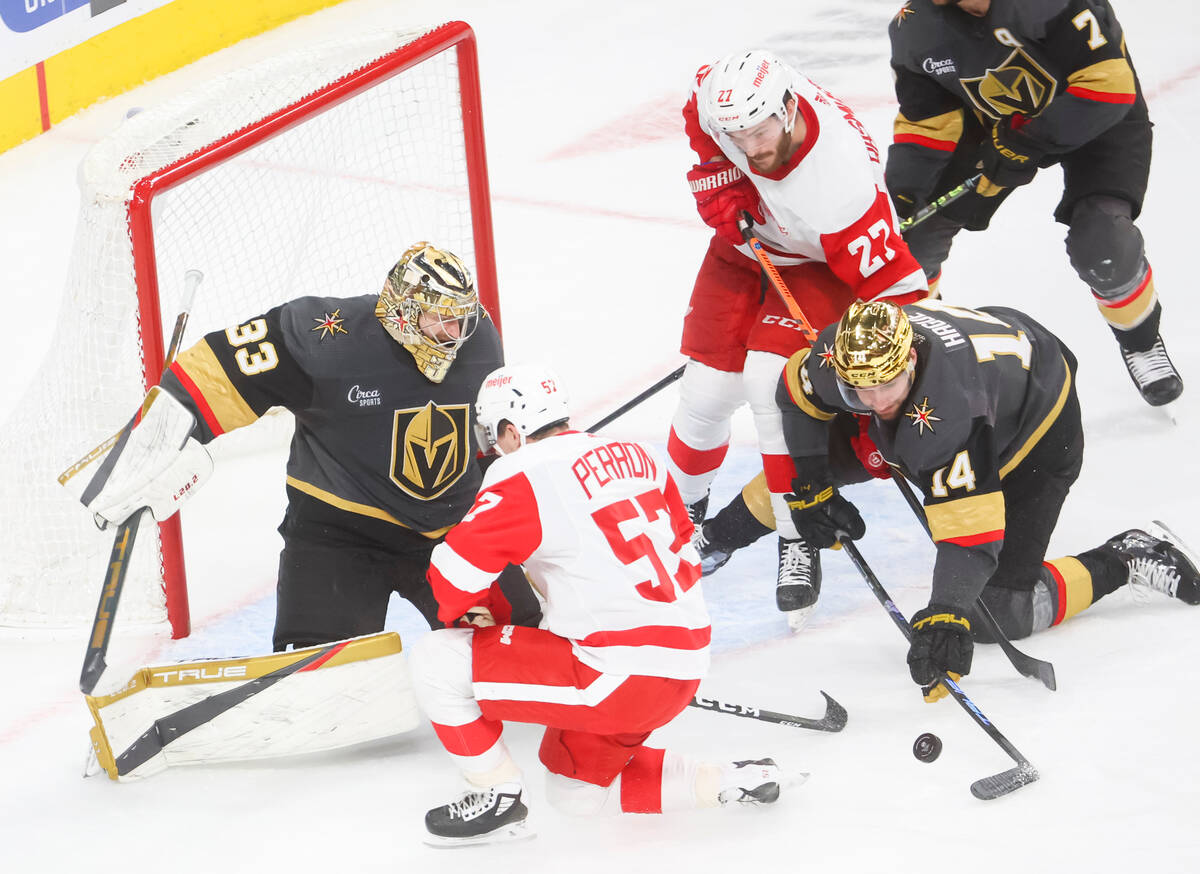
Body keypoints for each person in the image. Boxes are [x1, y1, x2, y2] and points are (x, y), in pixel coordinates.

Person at [73, 242, 539, 650]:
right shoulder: (326, 337)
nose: (455, 335)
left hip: (452, 533)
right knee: (320, 678)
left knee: (527, 645)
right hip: (340, 536)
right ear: (403, 310)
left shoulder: (479, 341)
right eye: (441, 319)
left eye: (461, 318)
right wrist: (156, 443)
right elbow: (215, 372)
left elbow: (494, 438)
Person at [408, 364, 788, 846]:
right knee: (575, 795)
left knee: (436, 659)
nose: (492, 449)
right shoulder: (639, 455)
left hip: (612, 674)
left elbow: (449, 581)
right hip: (686, 662)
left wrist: (474, 620)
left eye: (493, 436)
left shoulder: (521, 471)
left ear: (510, 429)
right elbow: (680, 547)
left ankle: (496, 793)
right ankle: (732, 779)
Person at [777, 298, 1199, 701]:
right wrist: (813, 483)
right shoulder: (844, 353)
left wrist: (945, 614)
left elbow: (970, 538)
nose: (877, 401)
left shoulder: (952, 413)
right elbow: (795, 395)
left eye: (889, 384)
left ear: (909, 360)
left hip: (1040, 418)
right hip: (997, 361)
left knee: (999, 610)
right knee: (814, 460)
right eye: (860, 391)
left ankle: (1124, 558)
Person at [671, 48, 929, 629]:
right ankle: (677, 521)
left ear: (789, 109)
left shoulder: (841, 187)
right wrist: (719, 169)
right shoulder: (726, 100)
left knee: (770, 386)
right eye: (737, 135)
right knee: (706, 392)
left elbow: (900, 290)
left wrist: (878, 380)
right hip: (743, 248)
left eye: (759, 133)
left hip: (817, 266)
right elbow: (700, 111)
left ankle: (797, 536)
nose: (752, 148)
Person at [886, 0, 1183, 407]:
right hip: (1000, 129)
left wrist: (1026, 142)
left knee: (1103, 245)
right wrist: (902, 192)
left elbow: (1109, 85)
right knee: (912, 246)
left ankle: (1141, 341)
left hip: (1096, 120)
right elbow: (927, 123)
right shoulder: (915, 27)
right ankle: (926, 357)